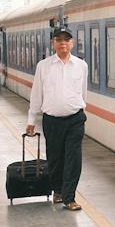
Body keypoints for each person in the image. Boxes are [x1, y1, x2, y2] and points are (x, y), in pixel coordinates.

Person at [25, 27, 88, 210]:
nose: (63, 43)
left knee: (73, 158)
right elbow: (37, 93)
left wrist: (81, 107)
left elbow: (83, 92)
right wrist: (31, 120)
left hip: (75, 119)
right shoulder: (43, 66)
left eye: (66, 40)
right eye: (59, 40)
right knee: (55, 158)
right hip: (52, 120)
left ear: (72, 43)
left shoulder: (81, 66)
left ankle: (69, 197)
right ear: (53, 43)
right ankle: (58, 191)